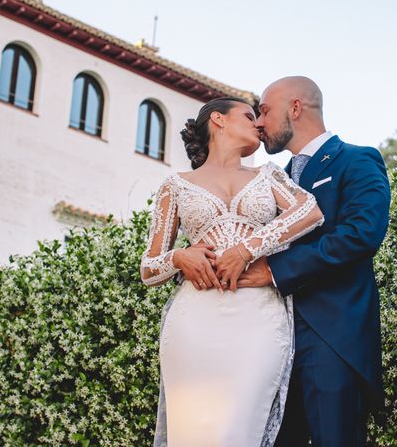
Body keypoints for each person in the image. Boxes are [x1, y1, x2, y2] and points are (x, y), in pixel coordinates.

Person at [139, 96, 324, 446]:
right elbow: (149, 269)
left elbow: (309, 211)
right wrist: (180, 258)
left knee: (240, 430)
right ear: (219, 120)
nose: (258, 124)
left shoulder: (268, 175)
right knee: (193, 434)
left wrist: (247, 248)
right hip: (194, 321)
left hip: (259, 319)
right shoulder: (175, 185)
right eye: (249, 115)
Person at [238, 76, 391, 446]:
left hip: (330, 338)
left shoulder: (357, 159)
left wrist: (275, 272)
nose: (258, 122)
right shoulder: (271, 181)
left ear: (295, 108)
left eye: (264, 111)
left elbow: (361, 234)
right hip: (271, 341)